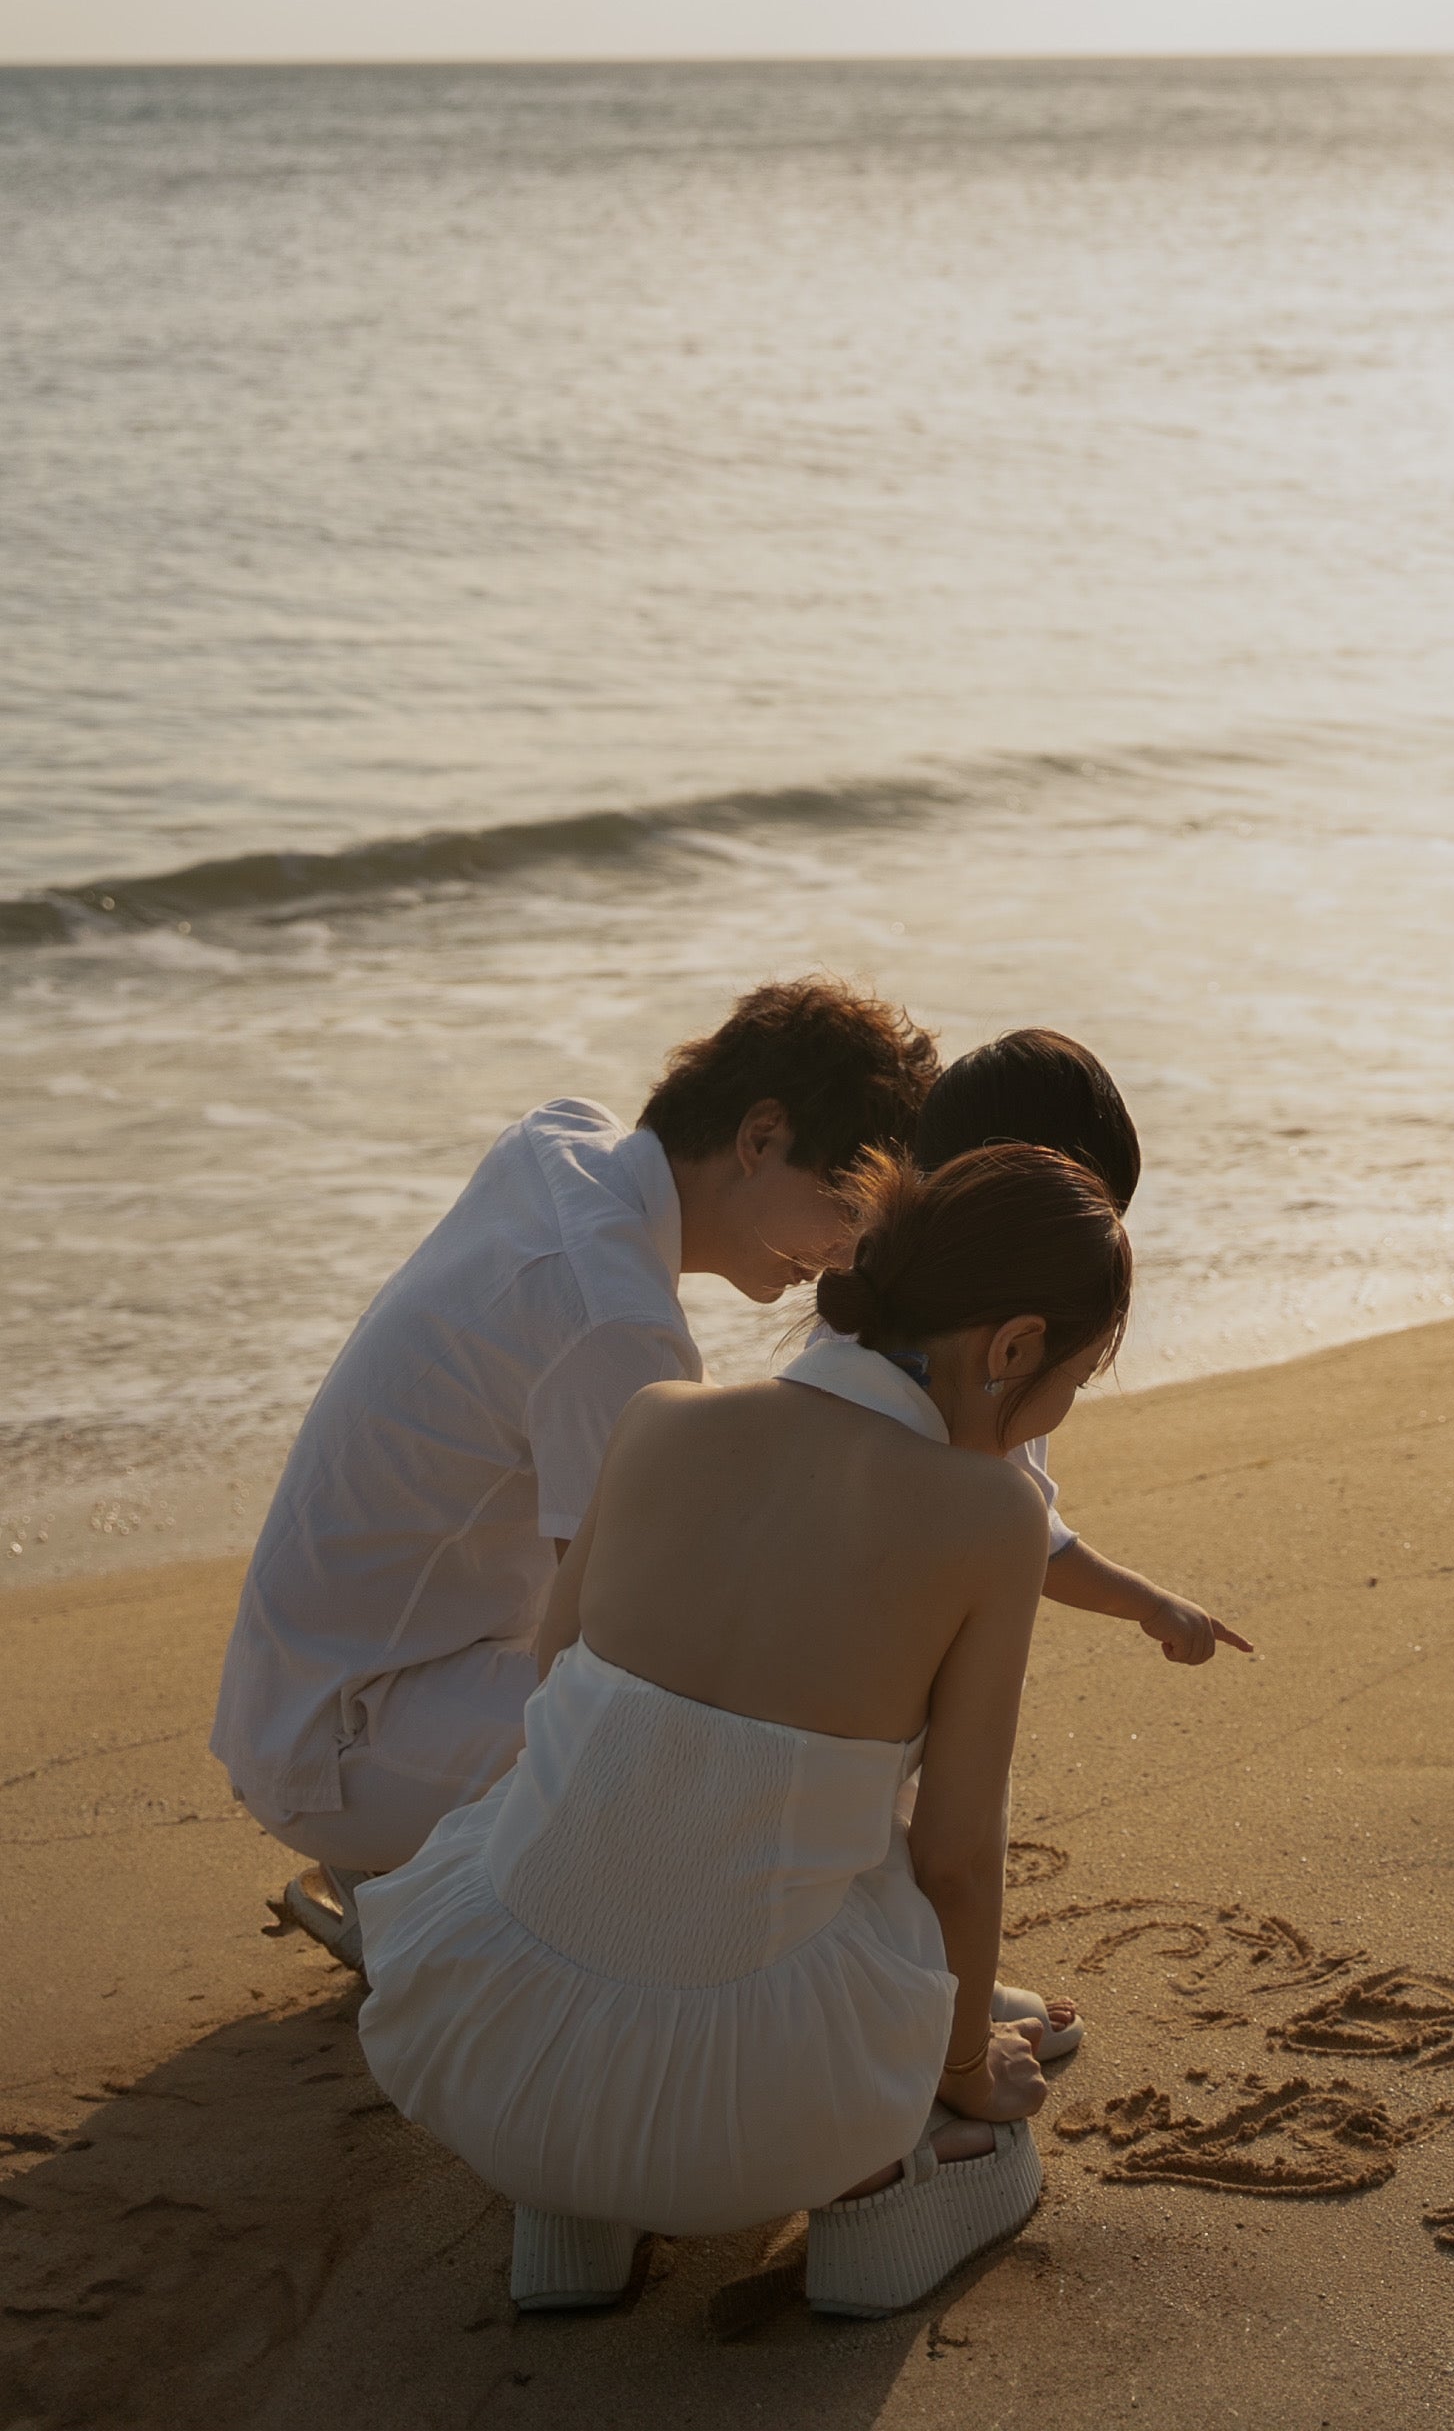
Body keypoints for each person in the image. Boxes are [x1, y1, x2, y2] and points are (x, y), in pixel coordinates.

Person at [355, 1141, 1131, 2320]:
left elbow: (548, 1681)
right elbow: (963, 1860)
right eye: (1070, 1384)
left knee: (642, 1804)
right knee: (894, 1903)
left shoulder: (658, 1418)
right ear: (1014, 1347)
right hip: (747, 2123)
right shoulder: (991, 1516)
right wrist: (964, 2071)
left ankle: (574, 2217)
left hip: (487, 2058)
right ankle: (889, 2193)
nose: (1058, 1412)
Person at [211, 976, 938, 1964]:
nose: (849, 1251)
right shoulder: (616, 1319)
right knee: (729, 1755)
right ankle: (434, 1901)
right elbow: (631, 1642)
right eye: (844, 1207)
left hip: (311, 1685)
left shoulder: (565, 1141)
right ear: (761, 1137)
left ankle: (422, 1868)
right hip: (349, 1742)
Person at [869, 1026, 1255, 1674]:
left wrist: (1149, 1602)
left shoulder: (864, 1301)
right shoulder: (999, 1374)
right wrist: (1151, 1604)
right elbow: (1029, 1541)